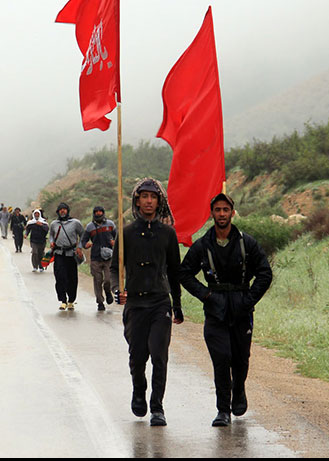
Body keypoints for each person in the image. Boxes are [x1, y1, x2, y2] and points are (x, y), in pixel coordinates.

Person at [178, 192, 273, 427]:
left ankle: (238, 389)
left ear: (232, 212)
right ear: (212, 213)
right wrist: (206, 295)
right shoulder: (203, 245)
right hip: (215, 308)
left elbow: (265, 272)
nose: (222, 214)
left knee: (240, 359)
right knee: (221, 359)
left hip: (241, 307)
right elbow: (184, 273)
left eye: (225, 210)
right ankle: (223, 410)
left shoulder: (247, 243)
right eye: (217, 210)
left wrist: (249, 299)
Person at [111, 178, 183, 427]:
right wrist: (117, 289)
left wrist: (177, 305)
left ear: (159, 201)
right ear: (137, 200)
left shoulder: (168, 234)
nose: (149, 201)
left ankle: (157, 407)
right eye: (144, 197)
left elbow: (175, 272)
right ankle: (138, 390)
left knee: (159, 355)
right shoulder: (127, 233)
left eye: (153, 197)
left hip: (160, 302)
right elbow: (114, 269)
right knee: (137, 355)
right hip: (135, 305)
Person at [81, 205, 117, 311]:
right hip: (95, 257)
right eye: (96, 212)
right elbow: (83, 241)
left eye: (100, 212)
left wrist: (114, 242)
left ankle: (107, 292)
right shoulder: (89, 227)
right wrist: (86, 245)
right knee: (97, 280)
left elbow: (117, 238)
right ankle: (100, 302)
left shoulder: (110, 224)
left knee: (108, 280)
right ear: (93, 213)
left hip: (109, 257)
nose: (98, 214)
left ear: (103, 213)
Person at [49, 202, 84, 311]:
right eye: (60, 210)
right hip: (59, 253)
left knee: (72, 278)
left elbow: (83, 235)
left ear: (68, 211)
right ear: (58, 212)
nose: (62, 211)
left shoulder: (75, 223)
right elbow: (51, 235)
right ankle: (63, 300)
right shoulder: (54, 224)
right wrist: (51, 242)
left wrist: (80, 247)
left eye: (64, 209)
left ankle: (71, 301)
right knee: (59, 277)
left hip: (71, 254)